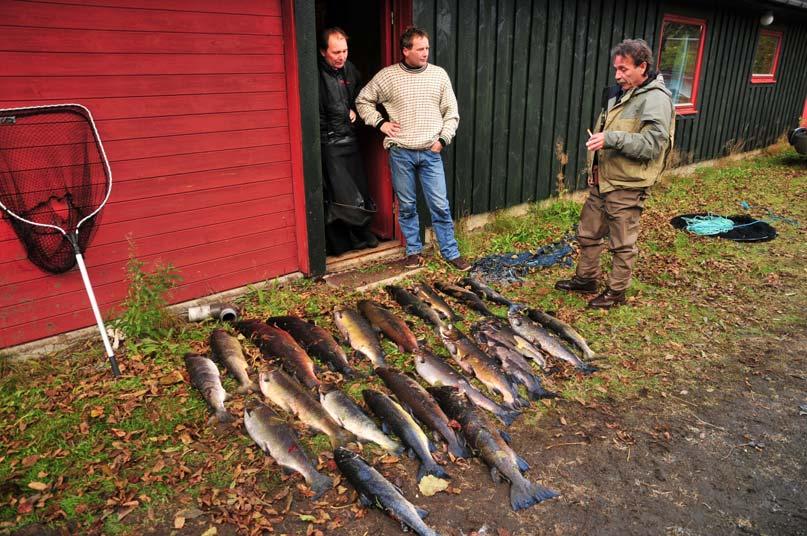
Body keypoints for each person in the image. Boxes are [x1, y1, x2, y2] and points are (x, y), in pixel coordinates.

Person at [555, 39, 675, 308]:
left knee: (622, 243)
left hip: (627, 184)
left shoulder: (655, 99)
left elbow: (653, 145)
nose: (618, 75)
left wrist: (611, 139)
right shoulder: (620, 93)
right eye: (616, 69)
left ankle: (616, 292)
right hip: (603, 180)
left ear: (643, 67)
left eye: (624, 69)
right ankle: (586, 279)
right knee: (588, 233)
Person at [355, 27, 470, 271]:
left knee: (440, 204)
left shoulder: (439, 76)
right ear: (406, 50)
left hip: (431, 152)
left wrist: (443, 139)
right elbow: (363, 99)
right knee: (407, 206)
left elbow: (452, 113)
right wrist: (381, 123)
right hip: (401, 153)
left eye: (427, 48)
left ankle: (451, 252)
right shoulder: (388, 77)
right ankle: (413, 252)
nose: (425, 53)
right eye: (420, 49)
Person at [318, 27, 379, 256]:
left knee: (360, 189)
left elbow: (360, 96)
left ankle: (362, 233)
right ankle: (342, 242)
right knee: (339, 194)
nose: (341, 56)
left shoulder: (350, 69)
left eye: (344, 51)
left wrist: (354, 109)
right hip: (328, 142)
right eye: (336, 52)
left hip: (350, 138)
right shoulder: (314, 73)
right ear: (323, 52)